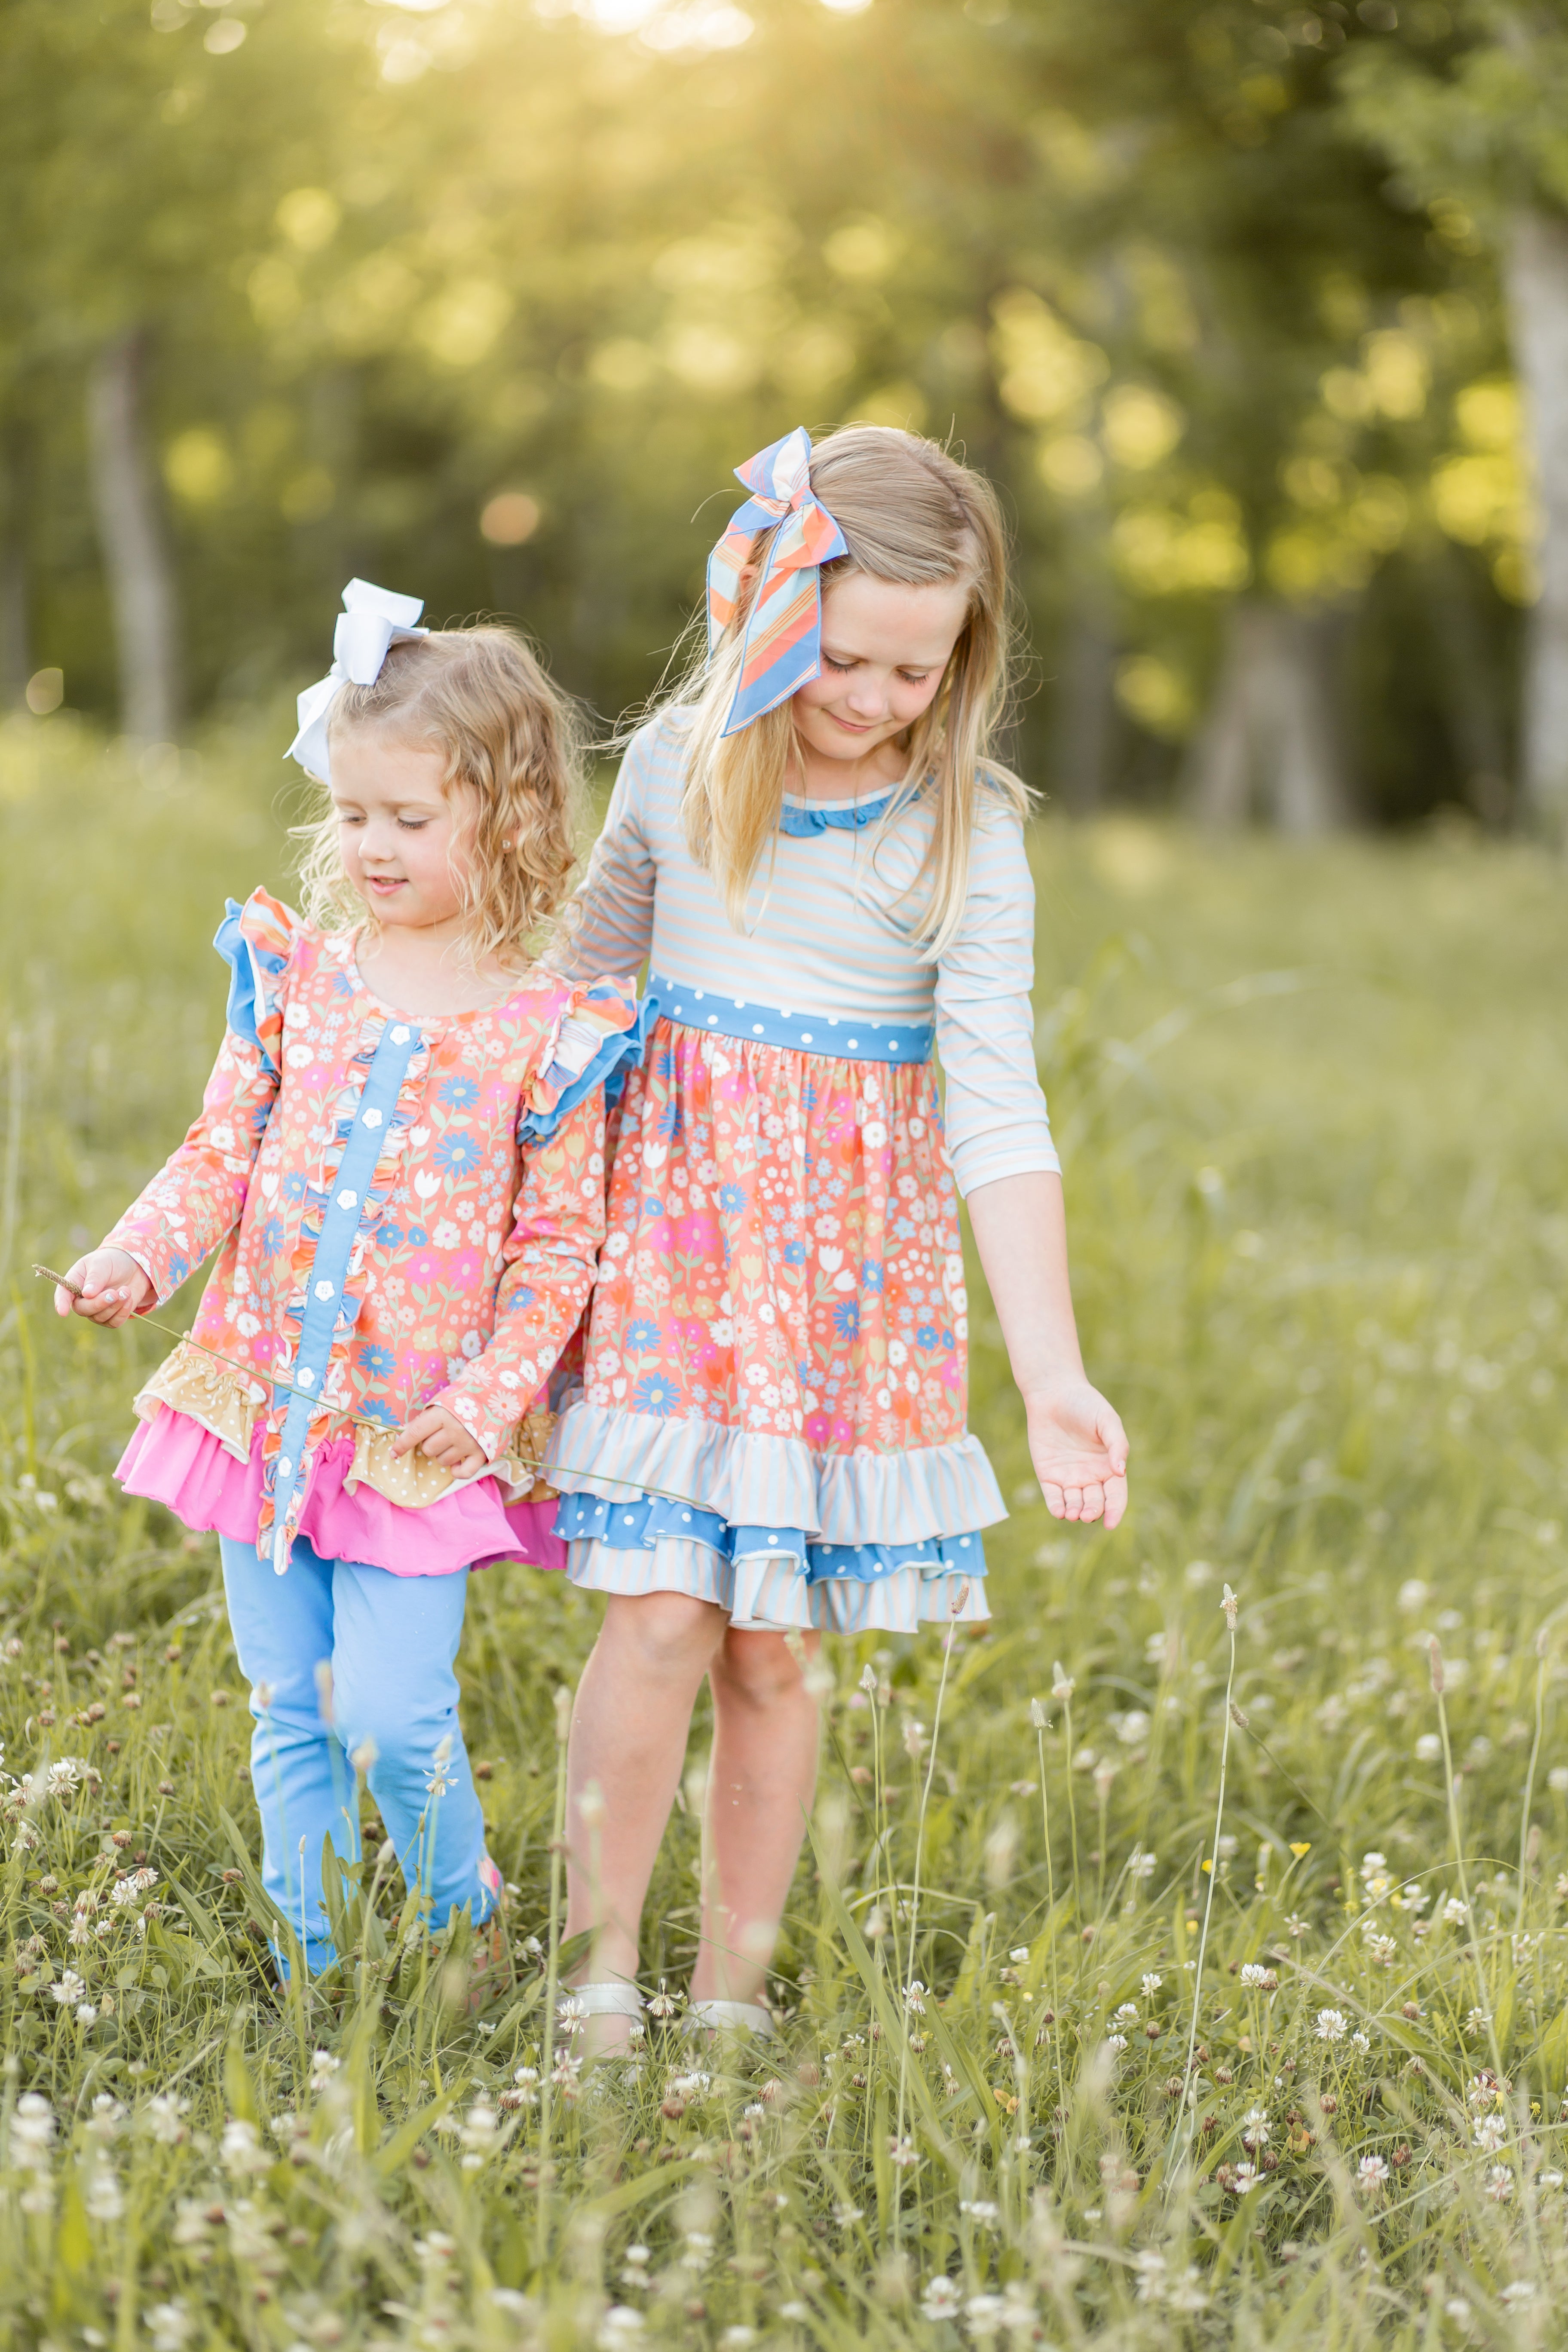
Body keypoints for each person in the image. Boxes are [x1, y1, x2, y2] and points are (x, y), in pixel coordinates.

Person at [543, 425, 1129, 2042]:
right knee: (659, 1615)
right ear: (772, 613)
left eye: (915, 672)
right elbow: (576, 1004)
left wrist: (1052, 1372)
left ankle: (725, 1999)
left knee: (770, 1652)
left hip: (841, 1289)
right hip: (670, 1250)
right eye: (844, 658)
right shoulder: (675, 764)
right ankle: (596, 1981)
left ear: (964, 659)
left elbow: (998, 1108)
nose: (873, 699)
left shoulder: (964, 834)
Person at [55, 581, 643, 1975]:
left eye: (409, 818)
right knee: (289, 1699)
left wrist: (497, 1398)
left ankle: (461, 1919)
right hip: (262, 1402)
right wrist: (139, 1251)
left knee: (390, 1708)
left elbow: (560, 1246)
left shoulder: (547, 1032)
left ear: (503, 817)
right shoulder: (296, 978)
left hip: (417, 1440)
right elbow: (221, 1148)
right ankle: (314, 1951)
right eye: (355, 814)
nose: (371, 845)